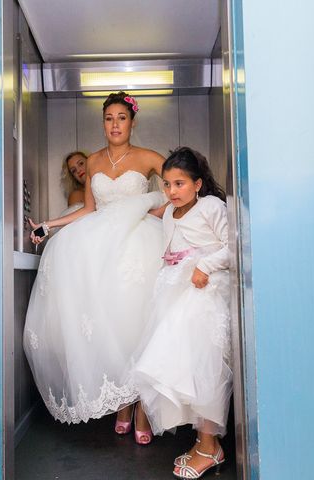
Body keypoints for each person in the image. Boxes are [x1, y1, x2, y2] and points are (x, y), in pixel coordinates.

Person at [24, 92, 167, 444]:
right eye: (109, 118)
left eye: (121, 117)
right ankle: (122, 400)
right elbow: (88, 209)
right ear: (103, 123)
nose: (115, 124)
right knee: (112, 323)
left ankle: (143, 406)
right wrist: (49, 225)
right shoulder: (94, 163)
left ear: (132, 122)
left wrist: (151, 214)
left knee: (140, 320)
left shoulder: (149, 157)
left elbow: (175, 192)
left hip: (139, 245)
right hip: (100, 249)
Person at [131, 147, 233, 478]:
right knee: (182, 365)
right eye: (167, 185)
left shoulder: (211, 207)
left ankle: (210, 446)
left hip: (206, 292)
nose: (173, 191)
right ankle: (204, 443)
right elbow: (171, 251)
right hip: (177, 291)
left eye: (180, 184)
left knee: (204, 366)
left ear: (198, 184)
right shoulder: (168, 215)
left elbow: (233, 246)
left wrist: (204, 264)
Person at [60, 151, 87, 215]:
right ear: (74, 177)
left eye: (81, 163)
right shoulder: (76, 195)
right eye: (74, 171)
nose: (78, 170)